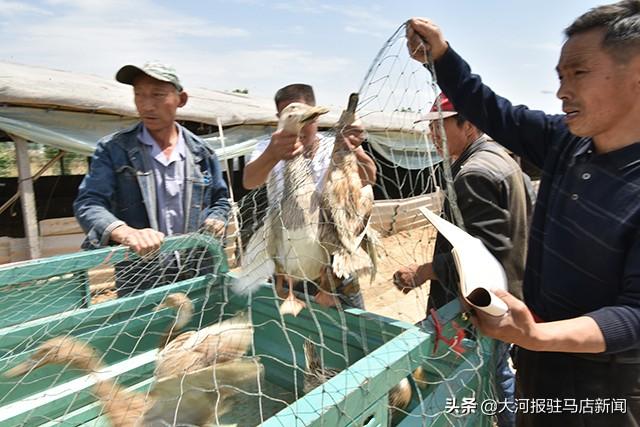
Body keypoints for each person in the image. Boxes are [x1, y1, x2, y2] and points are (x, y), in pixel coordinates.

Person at [405, 1, 640, 425]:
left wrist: (537, 334)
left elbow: (635, 313)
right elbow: (494, 110)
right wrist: (441, 59)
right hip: (539, 362)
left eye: (579, 73)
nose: (563, 91)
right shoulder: (567, 143)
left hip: (607, 390)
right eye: (560, 77)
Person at [392, 94, 532, 427]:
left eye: (438, 127)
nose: (431, 136)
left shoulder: (473, 174)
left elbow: (482, 259)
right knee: (499, 374)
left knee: (490, 379)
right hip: (512, 293)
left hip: (486, 304)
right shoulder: (506, 161)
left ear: (467, 125)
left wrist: (424, 271)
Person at [74, 62, 230, 297]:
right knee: (145, 332)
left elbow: (220, 200)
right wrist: (126, 232)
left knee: (198, 330)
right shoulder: (114, 149)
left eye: (158, 95)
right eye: (139, 95)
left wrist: (216, 219)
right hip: (141, 277)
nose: (147, 105)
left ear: (181, 99)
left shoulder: (202, 152)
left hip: (198, 272)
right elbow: (88, 203)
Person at [243, 83, 377, 309]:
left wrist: (353, 148)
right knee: (296, 334)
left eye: (308, 119)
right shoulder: (268, 146)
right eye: (292, 118)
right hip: (291, 264)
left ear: (316, 117)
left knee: (350, 328)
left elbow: (369, 178)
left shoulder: (332, 145)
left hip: (335, 265)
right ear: (279, 118)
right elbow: (249, 181)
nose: (301, 128)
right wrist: (272, 154)